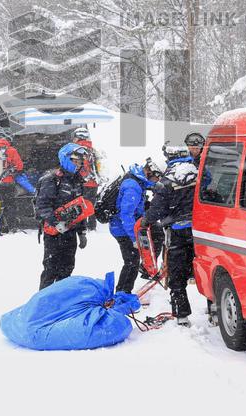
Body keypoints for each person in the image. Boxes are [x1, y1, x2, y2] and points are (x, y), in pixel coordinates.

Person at [143, 160, 199, 326]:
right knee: (206, 270)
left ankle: (182, 315)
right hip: (198, 230)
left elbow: (156, 210)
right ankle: (216, 310)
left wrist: (146, 220)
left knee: (176, 274)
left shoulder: (166, 184)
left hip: (176, 233)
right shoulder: (195, 174)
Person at [35, 143, 88, 290]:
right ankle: (44, 303)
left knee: (67, 269)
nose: (79, 164)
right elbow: (42, 206)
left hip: (70, 232)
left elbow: (80, 207)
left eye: (80, 161)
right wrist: (55, 222)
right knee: (51, 269)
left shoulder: (77, 180)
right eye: (76, 161)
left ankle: (61, 301)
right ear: (66, 159)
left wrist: (82, 232)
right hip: (53, 233)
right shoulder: (51, 179)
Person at [111, 159, 162, 293]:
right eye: (157, 177)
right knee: (131, 262)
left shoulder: (139, 181)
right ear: (149, 172)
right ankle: (122, 294)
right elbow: (126, 214)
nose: (157, 181)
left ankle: (124, 292)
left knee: (132, 261)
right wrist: (134, 238)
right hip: (122, 229)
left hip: (125, 227)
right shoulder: (133, 187)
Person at [73, 127, 100, 231]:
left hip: (84, 183)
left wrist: (79, 177)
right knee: (91, 204)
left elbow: (81, 167)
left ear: (78, 137)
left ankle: (82, 226)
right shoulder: (92, 149)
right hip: (94, 182)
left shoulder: (79, 149)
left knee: (81, 204)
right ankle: (92, 225)